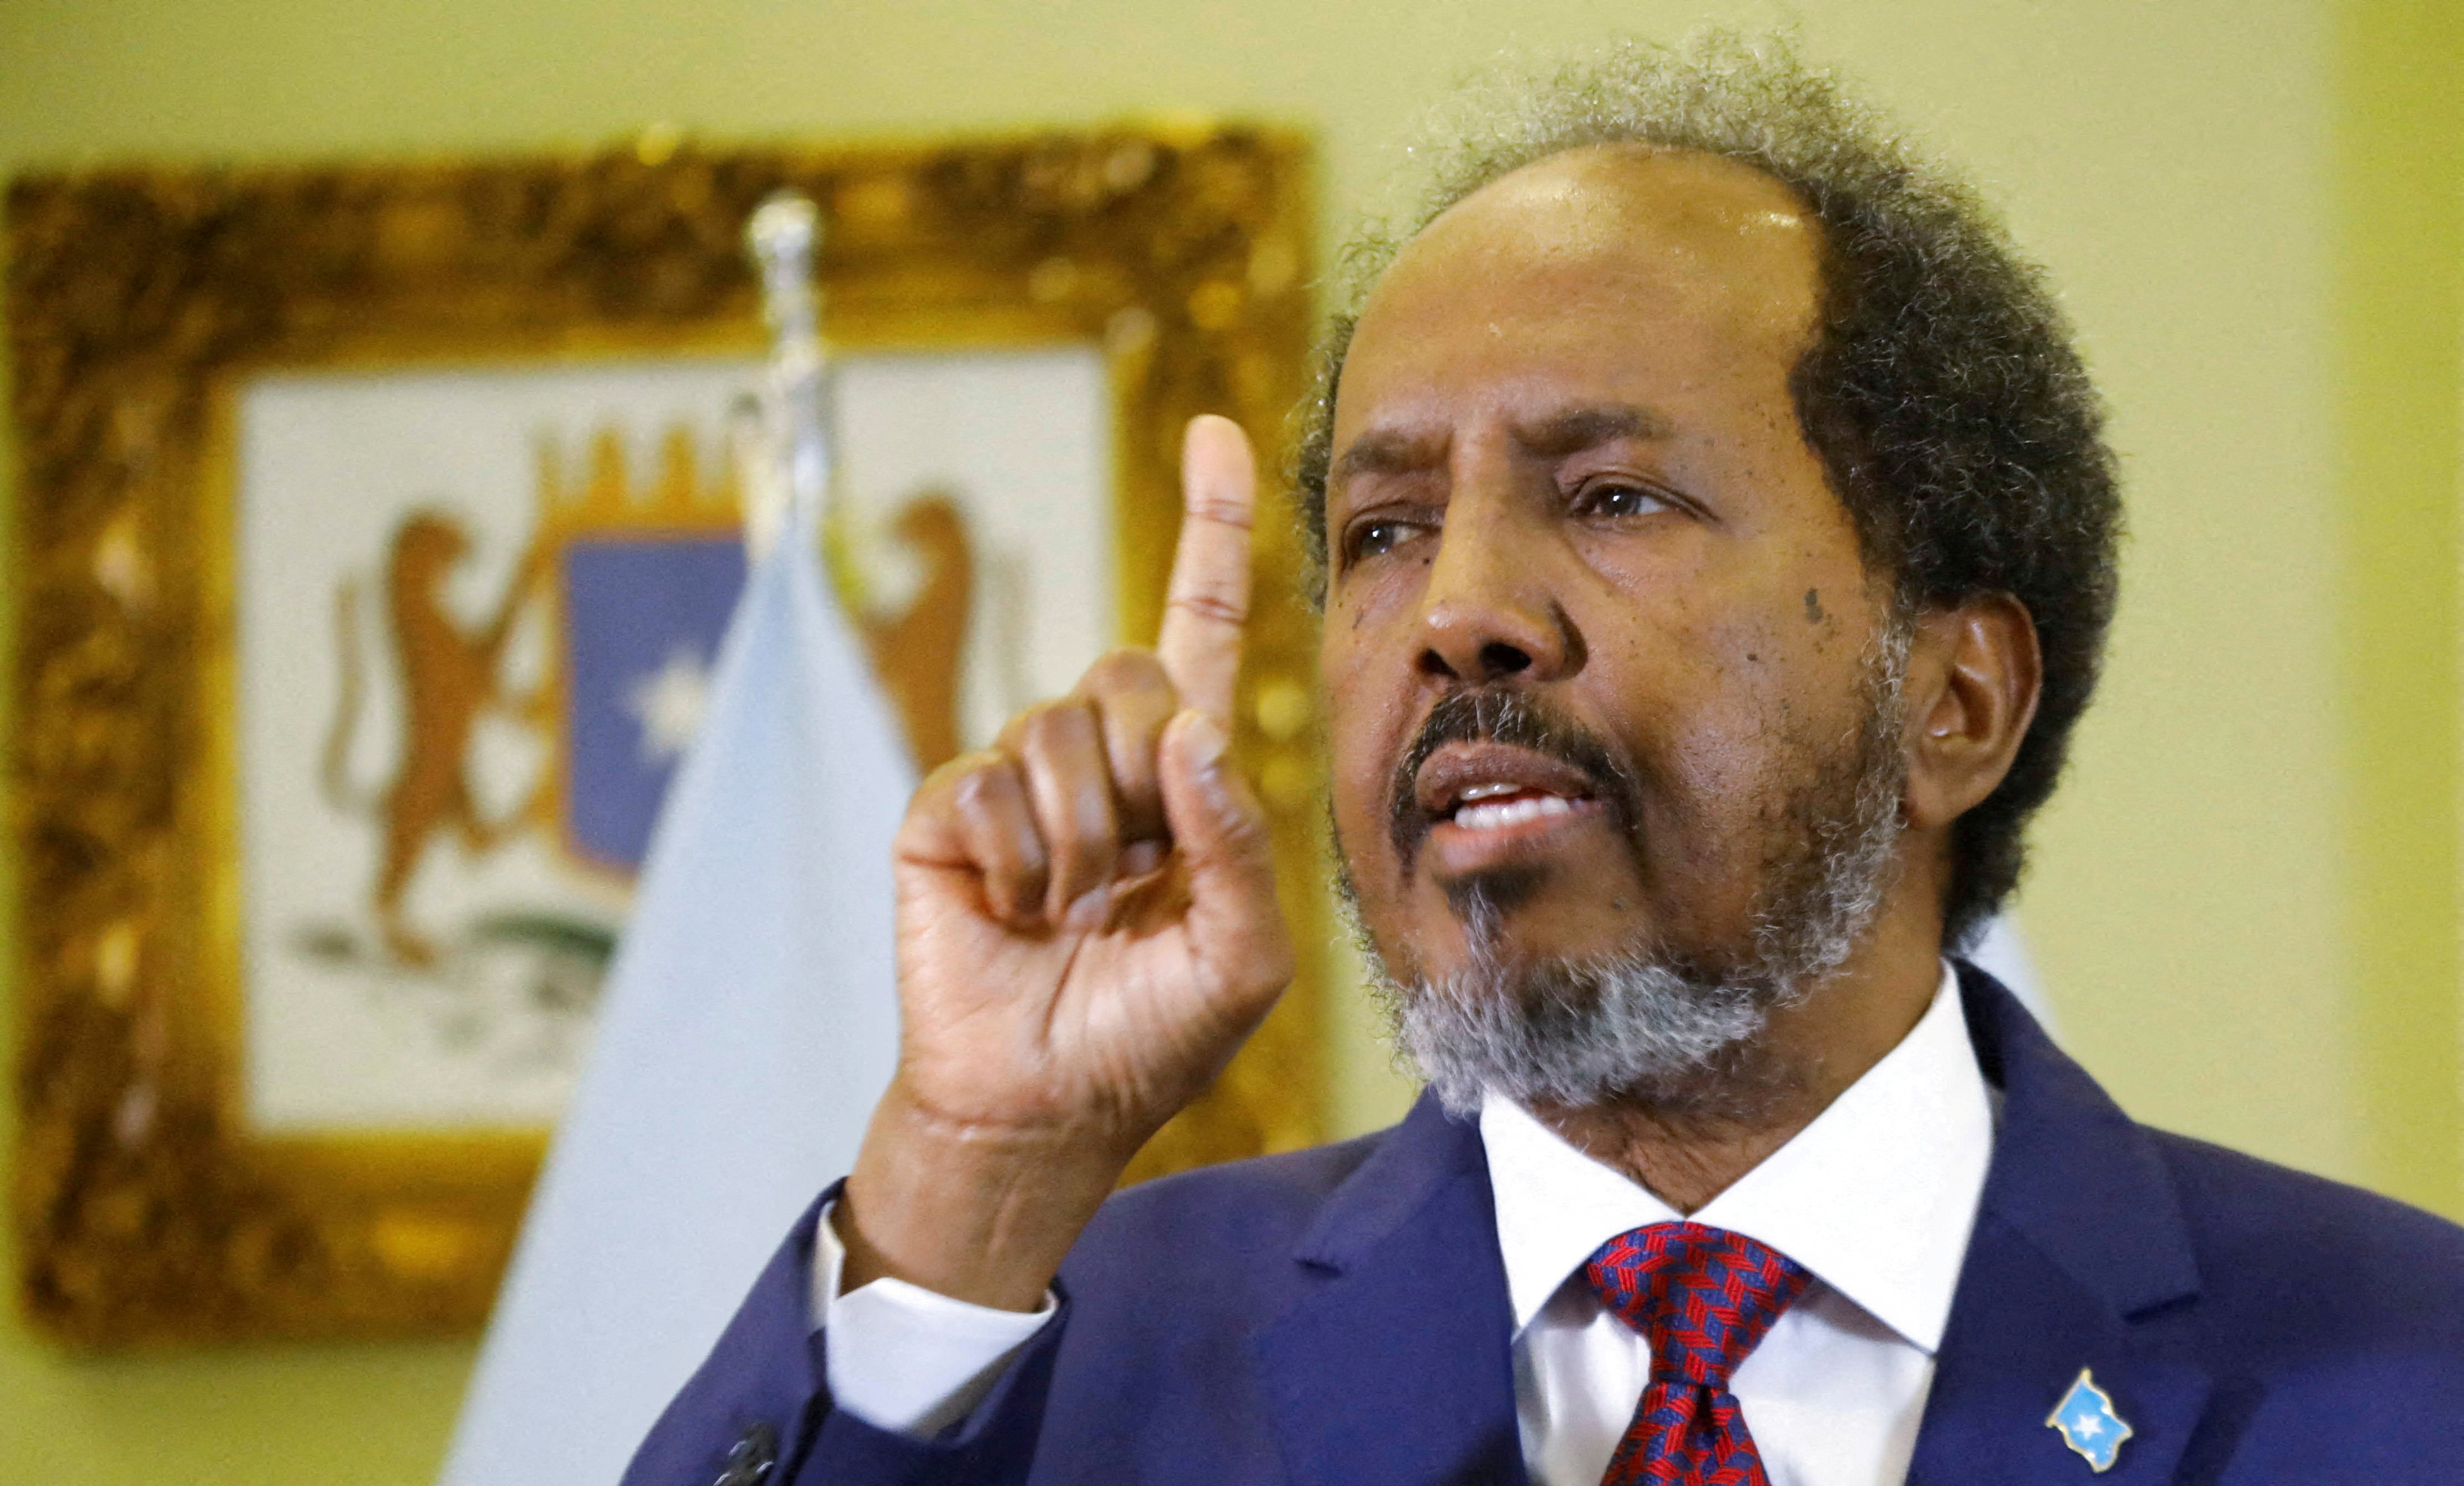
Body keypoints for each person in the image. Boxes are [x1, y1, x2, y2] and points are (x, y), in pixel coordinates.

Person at [624, 32, 2464, 1486]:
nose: (1461, 614)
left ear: (1952, 700)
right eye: (1385, 529)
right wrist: (972, 1168)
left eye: (1613, 496)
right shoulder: (1044, 1340)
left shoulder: (2408, 1368)